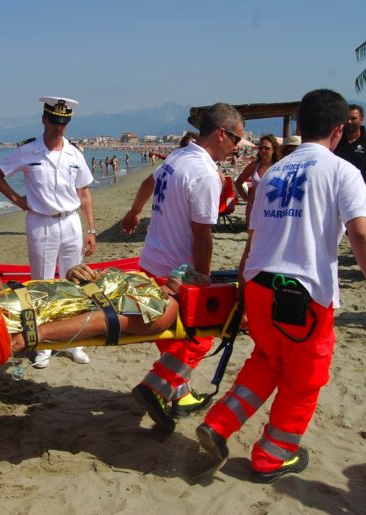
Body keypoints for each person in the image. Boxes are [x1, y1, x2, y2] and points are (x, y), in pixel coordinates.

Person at [196, 89, 366, 484]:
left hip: (259, 283)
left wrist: (243, 282)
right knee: (305, 378)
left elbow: (255, 235)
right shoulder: (341, 172)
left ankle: (219, 423)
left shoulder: (273, 173)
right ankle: (274, 454)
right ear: (339, 129)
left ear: (300, 127)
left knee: (267, 361)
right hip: (302, 291)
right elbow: (361, 232)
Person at [120, 102, 244, 432]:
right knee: (201, 334)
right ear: (221, 134)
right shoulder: (204, 173)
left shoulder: (179, 157)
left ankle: (180, 393)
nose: (237, 148)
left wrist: (135, 212)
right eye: (236, 140)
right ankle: (155, 386)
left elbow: (148, 181)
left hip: (152, 261)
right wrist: (202, 279)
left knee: (170, 337)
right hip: (176, 269)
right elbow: (202, 235)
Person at [0, 96, 96, 369]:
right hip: (41, 221)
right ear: (44, 119)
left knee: (75, 283)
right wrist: (17, 200)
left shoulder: (74, 154)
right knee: (42, 284)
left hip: (71, 221)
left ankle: (75, 341)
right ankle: (43, 345)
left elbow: (84, 192)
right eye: (54, 121)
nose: (59, 127)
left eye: (64, 122)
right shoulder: (28, 151)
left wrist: (91, 229)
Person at [3, 264, 181, 352]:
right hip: (35, 293)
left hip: (28, 310)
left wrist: (39, 334)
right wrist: (76, 273)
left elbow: (104, 320)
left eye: (201, 278)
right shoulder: (144, 279)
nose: (192, 271)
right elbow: (91, 288)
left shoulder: (168, 306)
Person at [334, 104, 366, 219]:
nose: (349, 121)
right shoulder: (334, 141)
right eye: (346, 118)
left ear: (362, 119)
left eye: (353, 118)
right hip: (333, 196)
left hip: (357, 197)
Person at [235, 134, 279, 227]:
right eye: (260, 148)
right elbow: (238, 182)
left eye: (266, 148)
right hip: (253, 207)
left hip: (273, 208)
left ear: (274, 150)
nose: (263, 150)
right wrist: (245, 198)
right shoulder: (254, 166)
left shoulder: (279, 166)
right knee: (252, 238)